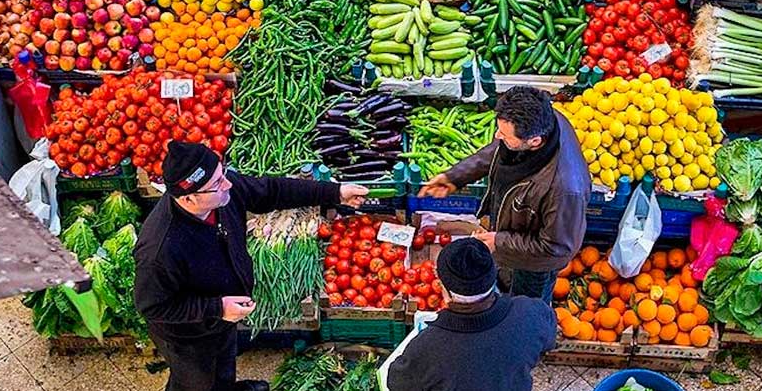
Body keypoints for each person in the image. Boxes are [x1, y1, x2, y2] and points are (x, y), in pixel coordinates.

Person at [134, 141, 368, 391]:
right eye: (217, 184)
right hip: (188, 335)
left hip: (223, 315)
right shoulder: (159, 250)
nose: (228, 184)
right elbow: (152, 307)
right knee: (196, 381)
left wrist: (335, 192)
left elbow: (271, 191)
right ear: (189, 198)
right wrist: (217, 308)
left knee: (224, 362)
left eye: (223, 173)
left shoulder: (221, 193)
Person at [419, 86, 590, 303]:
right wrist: (456, 176)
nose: (497, 136)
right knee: (505, 281)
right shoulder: (543, 118)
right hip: (514, 233)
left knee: (525, 306)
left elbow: (557, 249)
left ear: (535, 141)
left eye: (505, 134)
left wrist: (499, 241)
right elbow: (499, 149)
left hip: (533, 265)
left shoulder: (565, 190)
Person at [385, 238, 556, 391]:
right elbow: (547, 342)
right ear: (493, 276)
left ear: (444, 288)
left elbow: (396, 382)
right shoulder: (532, 313)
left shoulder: (426, 348)